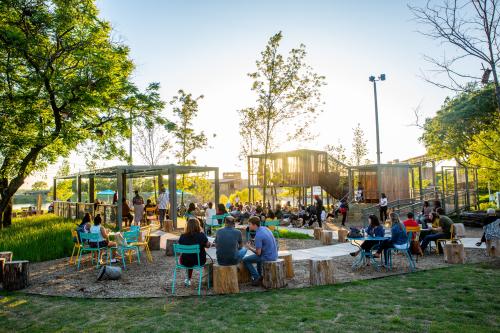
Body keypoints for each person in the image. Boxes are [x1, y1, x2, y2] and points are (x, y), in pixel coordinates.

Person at [242, 216, 278, 286]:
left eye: (249, 224)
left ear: (254, 225)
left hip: (268, 257)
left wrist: (249, 247)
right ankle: (260, 275)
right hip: (274, 254)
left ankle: (257, 277)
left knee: (245, 260)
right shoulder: (265, 228)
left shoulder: (258, 235)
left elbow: (258, 253)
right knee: (258, 258)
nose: (248, 226)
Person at [178, 218, 211, 287]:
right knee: (208, 260)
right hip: (199, 261)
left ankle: (188, 279)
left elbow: (180, 245)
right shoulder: (201, 235)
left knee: (189, 257)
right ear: (198, 225)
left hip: (184, 261)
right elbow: (207, 245)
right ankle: (208, 280)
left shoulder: (182, 236)